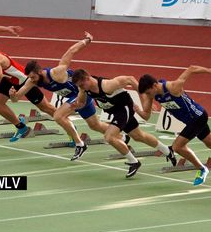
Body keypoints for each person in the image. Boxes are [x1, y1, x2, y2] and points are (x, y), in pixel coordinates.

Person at [9, 31, 127, 160]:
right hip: (77, 99)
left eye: (33, 76)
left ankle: (79, 144)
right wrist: (13, 95)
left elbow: (71, 51)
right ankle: (122, 136)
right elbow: (16, 98)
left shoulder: (56, 73)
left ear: (39, 71)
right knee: (95, 125)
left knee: (58, 116)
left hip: (82, 94)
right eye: (30, 78)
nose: (32, 80)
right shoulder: (32, 81)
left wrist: (87, 40)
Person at [137, 66, 211, 186]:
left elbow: (191, 69)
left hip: (198, 117)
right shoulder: (152, 94)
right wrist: (137, 109)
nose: (148, 95)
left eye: (148, 92)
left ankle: (202, 169)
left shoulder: (173, 87)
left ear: (154, 86)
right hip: (190, 121)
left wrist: (210, 71)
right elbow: (146, 115)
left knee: (177, 146)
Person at [72, 68, 176, 178]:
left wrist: (145, 99)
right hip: (116, 112)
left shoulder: (108, 85)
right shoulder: (84, 89)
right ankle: (167, 150)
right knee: (138, 136)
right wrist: (77, 105)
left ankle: (133, 162)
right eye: (79, 86)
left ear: (87, 78)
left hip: (124, 108)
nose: (81, 87)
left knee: (109, 137)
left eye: (82, 85)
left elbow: (130, 79)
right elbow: (82, 102)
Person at [0, 26, 56, 142]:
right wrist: (7, 29)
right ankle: (22, 128)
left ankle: (66, 120)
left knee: (45, 107)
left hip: (24, 80)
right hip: (9, 79)